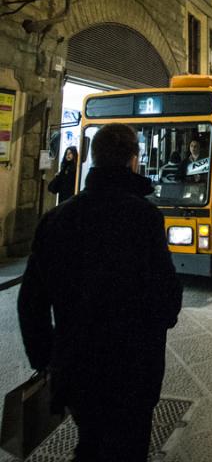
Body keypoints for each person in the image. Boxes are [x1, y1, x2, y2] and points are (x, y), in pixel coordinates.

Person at [18, 123, 183, 462]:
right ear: (132, 161)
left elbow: (30, 303)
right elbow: (167, 297)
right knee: (129, 447)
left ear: (93, 158)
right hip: (134, 369)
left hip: (77, 368)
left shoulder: (56, 220)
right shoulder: (145, 218)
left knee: (89, 442)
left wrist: (46, 359)